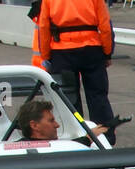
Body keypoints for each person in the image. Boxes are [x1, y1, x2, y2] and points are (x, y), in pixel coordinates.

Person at [37, 0, 117, 143]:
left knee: (69, 99)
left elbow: (43, 26)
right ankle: (105, 136)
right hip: (91, 50)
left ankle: (76, 137)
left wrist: (46, 55)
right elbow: (105, 25)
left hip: (62, 52)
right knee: (98, 97)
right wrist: (107, 53)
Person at [14, 98, 110, 141]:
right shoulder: (12, 153)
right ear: (34, 125)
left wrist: (88, 138)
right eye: (51, 121)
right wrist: (88, 139)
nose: (57, 125)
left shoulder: (11, 152)